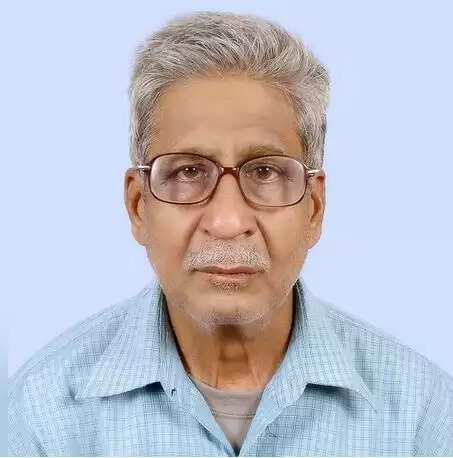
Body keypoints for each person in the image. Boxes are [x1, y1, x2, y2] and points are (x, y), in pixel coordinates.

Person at [8, 10, 453, 457]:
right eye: (187, 172)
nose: (227, 221)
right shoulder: (41, 415)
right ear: (138, 205)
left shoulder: (421, 415)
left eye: (265, 171)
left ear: (314, 208)